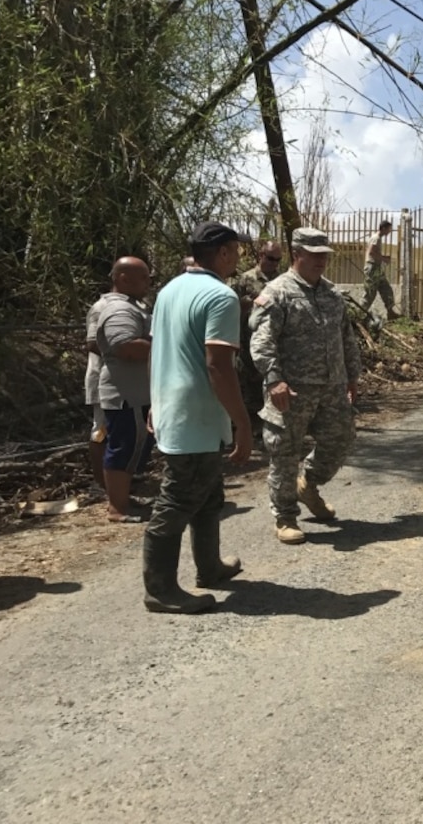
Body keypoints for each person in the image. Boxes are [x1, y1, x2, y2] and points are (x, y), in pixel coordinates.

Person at [143, 222, 252, 614]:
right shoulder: (221, 297)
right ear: (222, 253)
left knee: (208, 494)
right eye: (236, 250)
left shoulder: (169, 291)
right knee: (178, 499)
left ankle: (209, 567)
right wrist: (242, 421)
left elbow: (159, 353)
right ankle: (159, 588)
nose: (239, 257)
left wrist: (155, 402)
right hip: (197, 414)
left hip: (176, 408)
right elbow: (218, 366)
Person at [250, 227, 362, 544]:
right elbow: (262, 342)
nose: (322, 261)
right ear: (297, 254)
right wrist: (274, 380)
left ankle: (308, 484)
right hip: (290, 389)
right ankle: (285, 517)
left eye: (325, 255)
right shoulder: (277, 292)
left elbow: (346, 338)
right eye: (315, 255)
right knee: (284, 454)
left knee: (341, 438)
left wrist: (353, 376)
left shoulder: (332, 293)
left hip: (331, 386)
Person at [96, 257, 155, 523]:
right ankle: (117, 508)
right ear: (122, 278)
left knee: (135, 446)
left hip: (137, 394)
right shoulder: (119, 310)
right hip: (125, 395)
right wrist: (169, 346)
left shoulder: (132, 306)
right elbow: (127, 346)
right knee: (123, 447)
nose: (148, 282)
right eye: (143, 277)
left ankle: (124, 499)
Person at [232, 241, 283, 426]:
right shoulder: (245, 279)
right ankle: (248, 430)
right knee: (248, 390)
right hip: (247, 343)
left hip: (274, 344)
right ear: (260, 255)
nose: (274, 263)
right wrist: (243, 306)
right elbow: (230, 309)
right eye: (270, 258)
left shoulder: (282, 281)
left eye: (278, 260)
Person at [83, 285, 118, 497]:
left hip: (124, 381)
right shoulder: (100, 307)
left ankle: (118, 480)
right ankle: (100, 484)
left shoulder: (140, 306)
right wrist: (125, 352)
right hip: (103, 378)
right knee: (101, 430)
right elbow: (92, 343)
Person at [361, 219, 399, 320]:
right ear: (383, 228)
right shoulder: (376, 238)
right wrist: (384, 259)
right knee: (370, 293)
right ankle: (359, 314)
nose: (389, 232)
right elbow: (371, 252)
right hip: (372, 268)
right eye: (389, 229)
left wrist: (382, 257)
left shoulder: (377, 238)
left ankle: (390, 312)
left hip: (376, 268)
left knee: (386, 289)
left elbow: (373, 252)